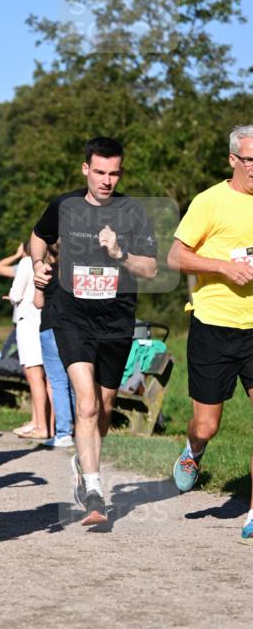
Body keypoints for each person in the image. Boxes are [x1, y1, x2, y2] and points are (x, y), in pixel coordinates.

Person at [32, 137, 157, 528]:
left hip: (116, 319)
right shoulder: (65, 206)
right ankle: (94, 491)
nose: (106, 180)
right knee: (85, 404)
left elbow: (151, 269)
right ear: (85, 169)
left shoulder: (133, 212)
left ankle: (84, 461)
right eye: (99, 172)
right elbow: (39, 237)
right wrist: (39, 266)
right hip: (72, 316)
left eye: (114, 173)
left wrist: (120, 253)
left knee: (102, 409)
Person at [167, 125, 253, 545]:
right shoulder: (210, 201)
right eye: (250, 160)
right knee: (207, 424)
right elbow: (175, 256)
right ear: (233, 160)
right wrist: (223, 266)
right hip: (214, 326)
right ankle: (194, 451)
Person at [33, 243, 76, 448]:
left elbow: (38, 303)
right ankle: (81, 428)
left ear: (49, 253)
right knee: (77, 381)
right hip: (75, 328)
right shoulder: (77, 270)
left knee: (58, 382)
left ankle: (63, 432)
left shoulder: (46, 272)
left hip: (50, 326)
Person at [9, 241, 51, 440]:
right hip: (48, 321)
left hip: (28, 321)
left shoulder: (27, 262)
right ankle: (41, 422)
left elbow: (16, 293)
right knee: (49, 377)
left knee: (34, 376)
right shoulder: (53, 262)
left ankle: (41, 426)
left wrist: (10, 297)